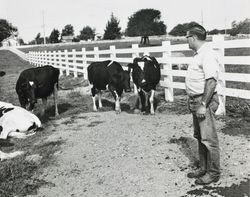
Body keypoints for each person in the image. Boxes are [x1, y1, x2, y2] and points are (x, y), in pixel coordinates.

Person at [185, 24, 221, 185]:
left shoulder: (207, 55)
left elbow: (211, 81)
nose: (186, 40)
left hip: (203, 101)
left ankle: (213, 173)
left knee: (209, 139)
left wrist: (203, 104)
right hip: (196, 100)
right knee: (200, 137)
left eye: (187, 37)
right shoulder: (198, 54)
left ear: (193, 37)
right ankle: (203, 167)